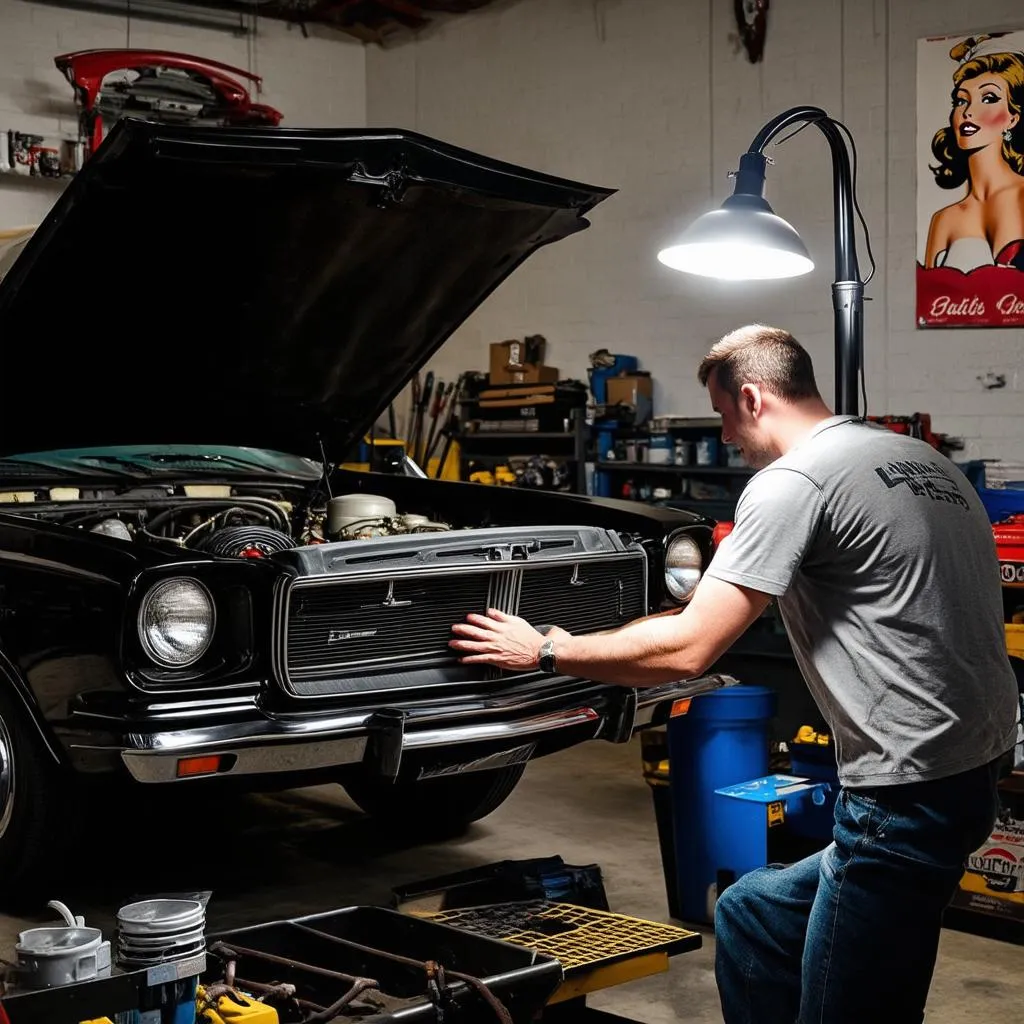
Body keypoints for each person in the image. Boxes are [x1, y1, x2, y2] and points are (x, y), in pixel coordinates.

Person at [450, 324, 1020, 1024]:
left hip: (901, 799)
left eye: (722, 416)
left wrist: (546, 651)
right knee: (754, 914)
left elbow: (689, 650)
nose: (725, 438)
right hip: (972, 766)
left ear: (751, 397)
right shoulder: (914, 459)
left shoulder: (794, 481)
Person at [925, 32, 1024, 271]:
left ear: (1013, 117)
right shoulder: (943, 220)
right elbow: (928, 303)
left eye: (988, 98)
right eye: (961, 100)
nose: (969, 111)